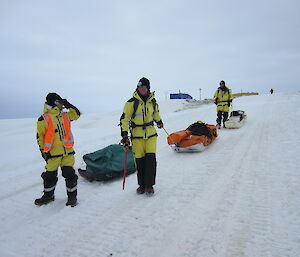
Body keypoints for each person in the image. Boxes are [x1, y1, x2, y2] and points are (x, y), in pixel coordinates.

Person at [35, 93, 81, 207]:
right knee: (49, 176)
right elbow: (40, 137)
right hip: (52, 154)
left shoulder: (65, 116)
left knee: (70, 174)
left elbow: (77, 114)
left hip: (67, 153)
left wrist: (68, 104)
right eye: (61, 102)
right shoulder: (43, 119)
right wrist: (43, 151)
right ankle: (48, 196)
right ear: (56, 103)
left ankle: (72, 198)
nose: (63, 105)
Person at [119, 77, 163, 195]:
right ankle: (142, 185)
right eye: (140, 87)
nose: (141, 89)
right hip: (137, 136)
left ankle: (149, 185)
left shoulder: (153, 102)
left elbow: (156, 114)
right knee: (140, 161)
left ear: (148, 88)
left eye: (143, 87)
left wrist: (159, 122)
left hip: (150, 134)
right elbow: (124, 119)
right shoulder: (131, 103)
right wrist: (124, 135)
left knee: (150, 160)